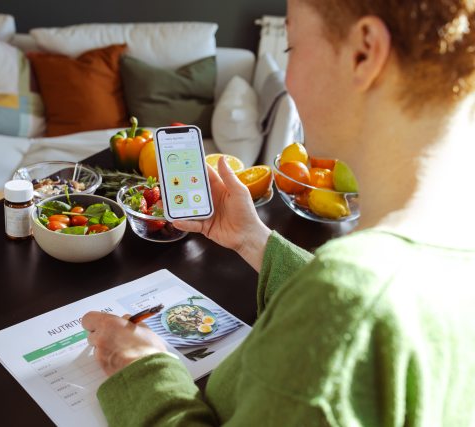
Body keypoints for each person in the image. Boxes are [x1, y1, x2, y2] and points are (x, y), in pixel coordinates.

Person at [82, 0, 475, 424]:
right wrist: (254, 239)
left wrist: (140, 365)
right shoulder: (452, 237)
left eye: (291, 47)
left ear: (363, 52)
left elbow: (347, 308)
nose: (287, 77)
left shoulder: (346, 304)